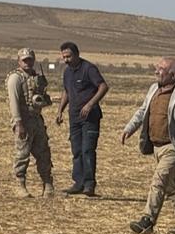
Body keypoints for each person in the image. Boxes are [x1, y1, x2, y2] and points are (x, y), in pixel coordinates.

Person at [120, 57, 175, 234]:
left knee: (159, 181)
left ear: (174, 75)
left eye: (161, 69)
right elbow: (143, 111)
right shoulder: (154, 89)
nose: (156, 71)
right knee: (173, 189)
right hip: (156, 147)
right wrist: (129, 128)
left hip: (173, 147)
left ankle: (147, 221)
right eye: (157, 67)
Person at [55, 42, 108, 196]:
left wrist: (90, 104)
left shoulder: (88, 69)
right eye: (64, 57)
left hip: (90, 117)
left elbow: (103, 86)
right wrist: (60, 111)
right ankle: (78, 183)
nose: (66, 60)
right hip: (74, 117)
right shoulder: (67, 72)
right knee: (76, 150)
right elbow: (67, 92)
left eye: (69, 56)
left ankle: (89, 185)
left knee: (87, 150)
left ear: (77, 54)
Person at [6, 48, 54, 198]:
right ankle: (20, 185)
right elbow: (13, 102)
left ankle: (48, 184)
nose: (28, 62)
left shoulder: (36, 77)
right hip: (24, 120)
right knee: (22, 154)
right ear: (19, 61)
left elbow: (44, 97)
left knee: (43, 153)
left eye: (30, 60)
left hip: (37, 119)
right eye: (24, 60)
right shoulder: (16, 78)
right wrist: (18, 123)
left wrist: (44, 100)